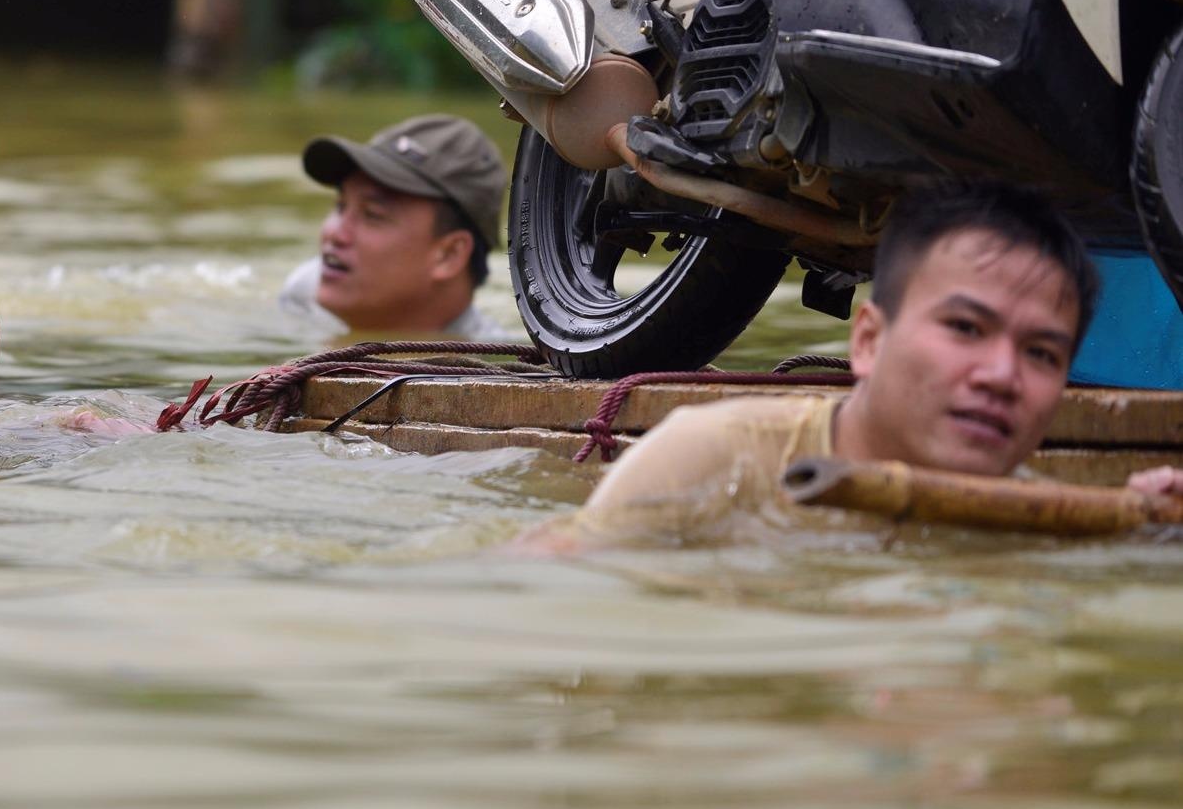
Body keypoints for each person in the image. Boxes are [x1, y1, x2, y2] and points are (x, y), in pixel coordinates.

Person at [519, 179, 1183, 550]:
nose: (1001, 375)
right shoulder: (715, 461)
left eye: (1042, 354)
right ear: (867, 340)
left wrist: (1142, 524)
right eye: (964, 327)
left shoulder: (1037, 521)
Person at [280, 114, 515, 341]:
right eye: (341, 206)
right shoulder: (301, 296)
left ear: (449, 254)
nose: (334, 233)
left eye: (372, 214)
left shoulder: (499, 369)